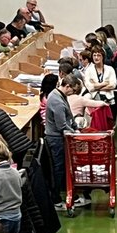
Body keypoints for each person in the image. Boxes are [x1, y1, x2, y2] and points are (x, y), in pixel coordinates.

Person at [46, 74, 78, 202]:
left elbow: (69, 117)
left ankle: (64, 192)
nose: (73, 93)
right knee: (58, 168)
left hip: (59, 138)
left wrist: (76, 127)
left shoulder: (60, 95)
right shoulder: (57, 100)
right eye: (73, 90)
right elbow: (62, 126)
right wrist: (75, 133)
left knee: (62, 167)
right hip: (56, 140)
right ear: (68, 86)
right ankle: (56, 197)